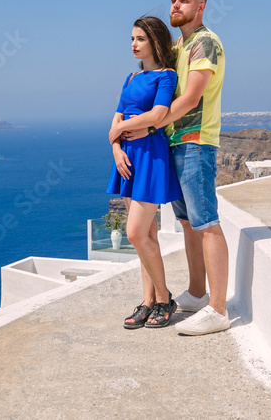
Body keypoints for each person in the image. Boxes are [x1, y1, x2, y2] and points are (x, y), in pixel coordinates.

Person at [124, 0, 230, 335]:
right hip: (175, 142)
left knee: (206, 223)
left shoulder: (205, 43)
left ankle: (218, 309)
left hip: (196, 140)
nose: (175, 5)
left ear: (199, 7)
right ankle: (199, 293)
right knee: (187, 223)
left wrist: (150, 126)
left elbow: (190, 99)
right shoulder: (178, 45)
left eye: (183, 1)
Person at [106, 16, 184, 329]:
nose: (134, 44)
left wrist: (122, 128)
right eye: (132, 38)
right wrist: (116, 148)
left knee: (135, 233)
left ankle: (165, 298)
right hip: (127, 158)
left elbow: (159, 114)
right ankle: (148, 301)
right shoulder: (129, 78)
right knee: (146, 237)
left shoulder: (166, 76)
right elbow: (116, 118)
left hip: (151, 155)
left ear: (154, 41)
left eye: (140, 38)